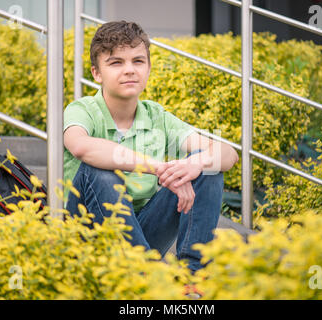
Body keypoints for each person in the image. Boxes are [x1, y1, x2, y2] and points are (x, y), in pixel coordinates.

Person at [63, 21, 239, 273]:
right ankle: (150, 276)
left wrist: (193, 165)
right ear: (96, 73)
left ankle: (192, 276)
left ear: (148, 68)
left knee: (207, 165)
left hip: (143, 234)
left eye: (138, 61)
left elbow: (228, 154)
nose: (129, 70)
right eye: (116, 63)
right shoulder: (82, 110)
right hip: (87, 235)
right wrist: (159, 168)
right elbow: (81, 147)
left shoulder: (156, 116)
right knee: (99, 171)